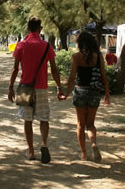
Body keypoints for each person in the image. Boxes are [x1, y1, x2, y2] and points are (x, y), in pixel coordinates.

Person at [8, 17, 64, 163]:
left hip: (25, 87)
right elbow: (54, 69)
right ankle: (44, 144)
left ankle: (31, 151)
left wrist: (10, 87)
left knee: (27, 120)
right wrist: (59, 87)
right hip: (42, 87)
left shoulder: (21, 45)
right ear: (40, 28)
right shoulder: (47, 46)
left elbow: (15, 69)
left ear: (28, 28)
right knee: (44, 118)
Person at [60, 31, 110, 162]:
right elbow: (104, 77)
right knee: (91, 124)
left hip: (80, 91)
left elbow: (72, 77)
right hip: (94, 92)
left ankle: (83, 153)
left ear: (80, 43)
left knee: (80, 125)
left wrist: (67, 93)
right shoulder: (98, 57)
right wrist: (107, 94)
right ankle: (94, 144)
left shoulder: (76, 57)